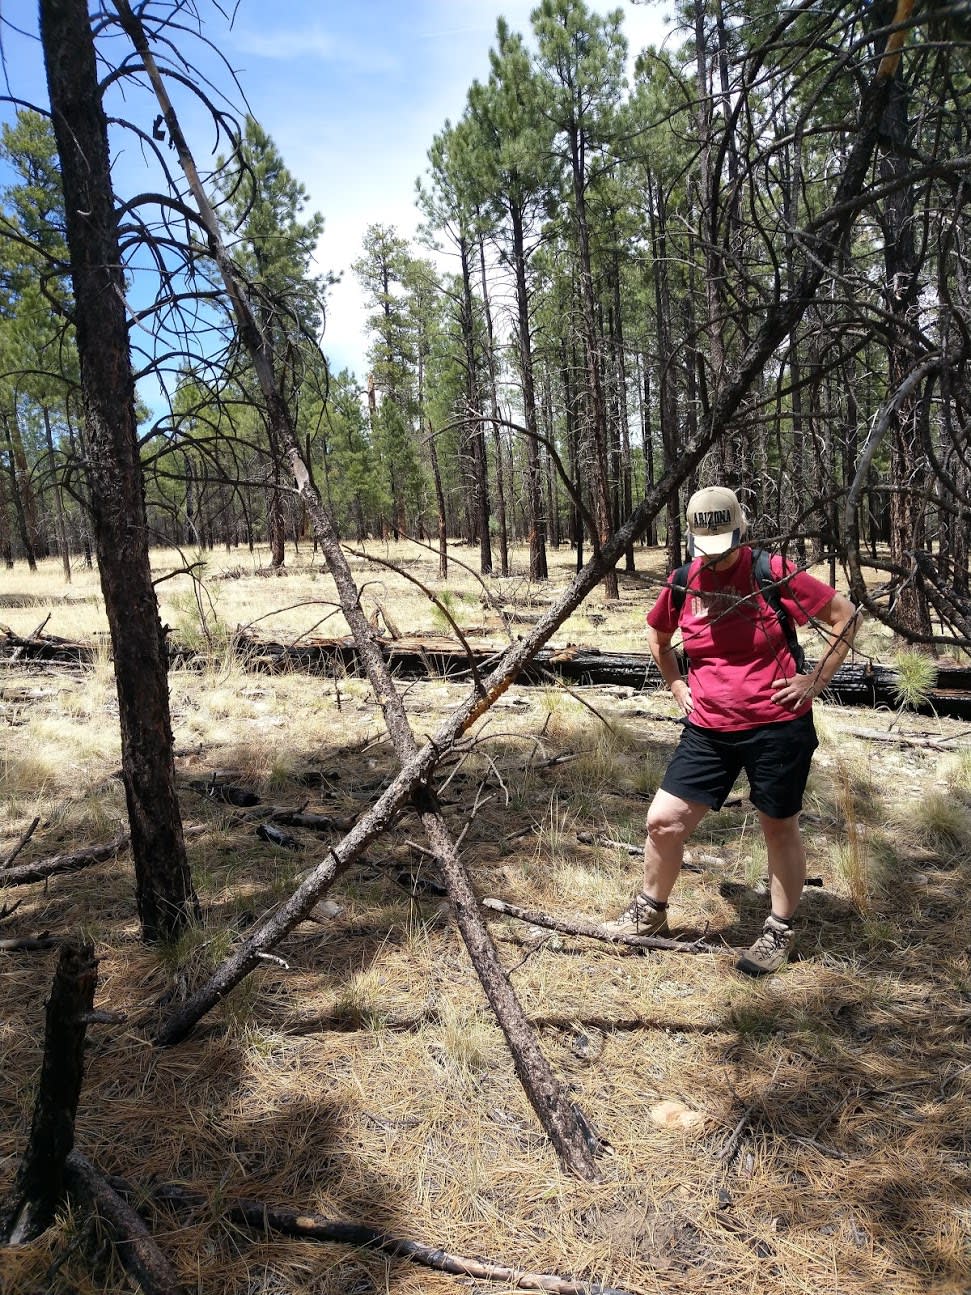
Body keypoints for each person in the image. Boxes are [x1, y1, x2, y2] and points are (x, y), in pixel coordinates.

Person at [606, 485, 859, 974]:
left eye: (725, 546)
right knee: (663, 821)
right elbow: (658, 636)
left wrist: (816, 680)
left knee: (777, 826)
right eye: (707, 549)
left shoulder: (772, 572)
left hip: (777, 727)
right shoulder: (683, 581)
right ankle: (651, 911)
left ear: (741, 531)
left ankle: (778, 929)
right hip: (708, 730)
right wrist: (677, 684)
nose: (717, 560)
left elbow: (844, 616)